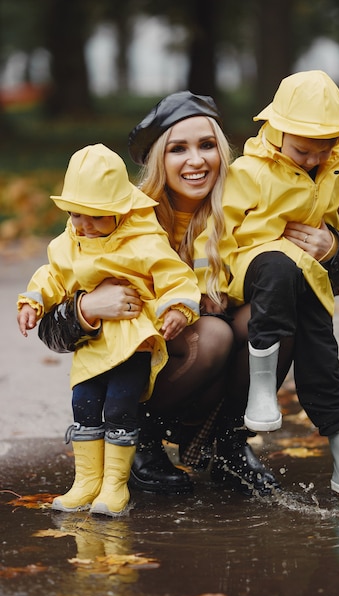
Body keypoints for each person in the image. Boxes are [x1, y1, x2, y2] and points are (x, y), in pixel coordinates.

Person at [38, 92, 281, 497]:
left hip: (212, 381)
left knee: (270, 314)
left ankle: (229, 445)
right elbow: (49, 325)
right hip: (142, 369)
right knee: (214, 335)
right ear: (157, 159)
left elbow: (314, 278)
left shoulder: (249, 204)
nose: (196, 160)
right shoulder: (113, 215)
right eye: (178, 149)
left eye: (206, 145)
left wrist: (334, 249)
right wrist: (86, 307)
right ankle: (137, 440)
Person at [218, 69, 339, 505]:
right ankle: (263, 391)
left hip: (307, 275)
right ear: (276, 131)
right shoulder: (250, 170)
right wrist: (215, 279)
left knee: (323, 358)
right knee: (279, 264)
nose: (315, 159)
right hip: (254, 267)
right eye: (304, 150)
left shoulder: (338, 167)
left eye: (325, 149)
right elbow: (222, 231)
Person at [17, 143, 201, 516]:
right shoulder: (69, 243)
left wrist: (178, 308)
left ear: (122, 210)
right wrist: (33, 299)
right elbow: (52, 275)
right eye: (76, 215)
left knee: (120, 408)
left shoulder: (144, 241)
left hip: (132, 343)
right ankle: (86, 481)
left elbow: (175, 276)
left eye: (97, 217)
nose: (85, 225)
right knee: (82, 403)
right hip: (92, 346)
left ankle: (114, 485)